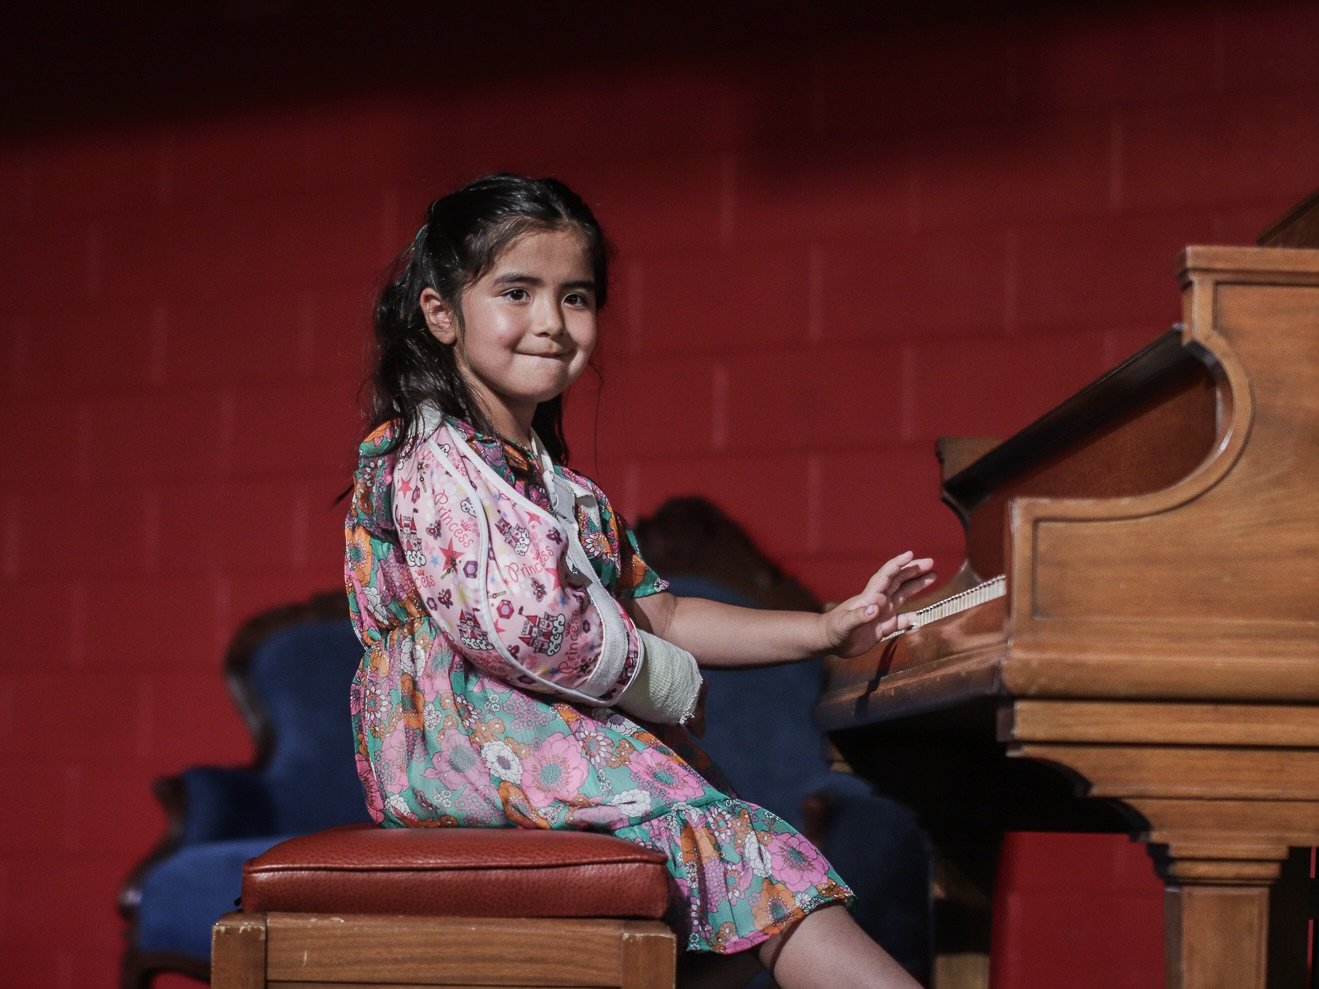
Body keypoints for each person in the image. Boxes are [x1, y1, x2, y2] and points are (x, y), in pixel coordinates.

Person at [344, 173, 937, 989]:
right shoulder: (431, 459)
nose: (551, 321)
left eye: (576, 296)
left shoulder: (561, 491)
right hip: (465, 744)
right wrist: (664, 678)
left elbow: (666, 608)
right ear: (440, 311)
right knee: (743, 845)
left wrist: (826, 627)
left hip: (526, 733)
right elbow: (524, 632)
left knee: (731, 836)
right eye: (517, 290)